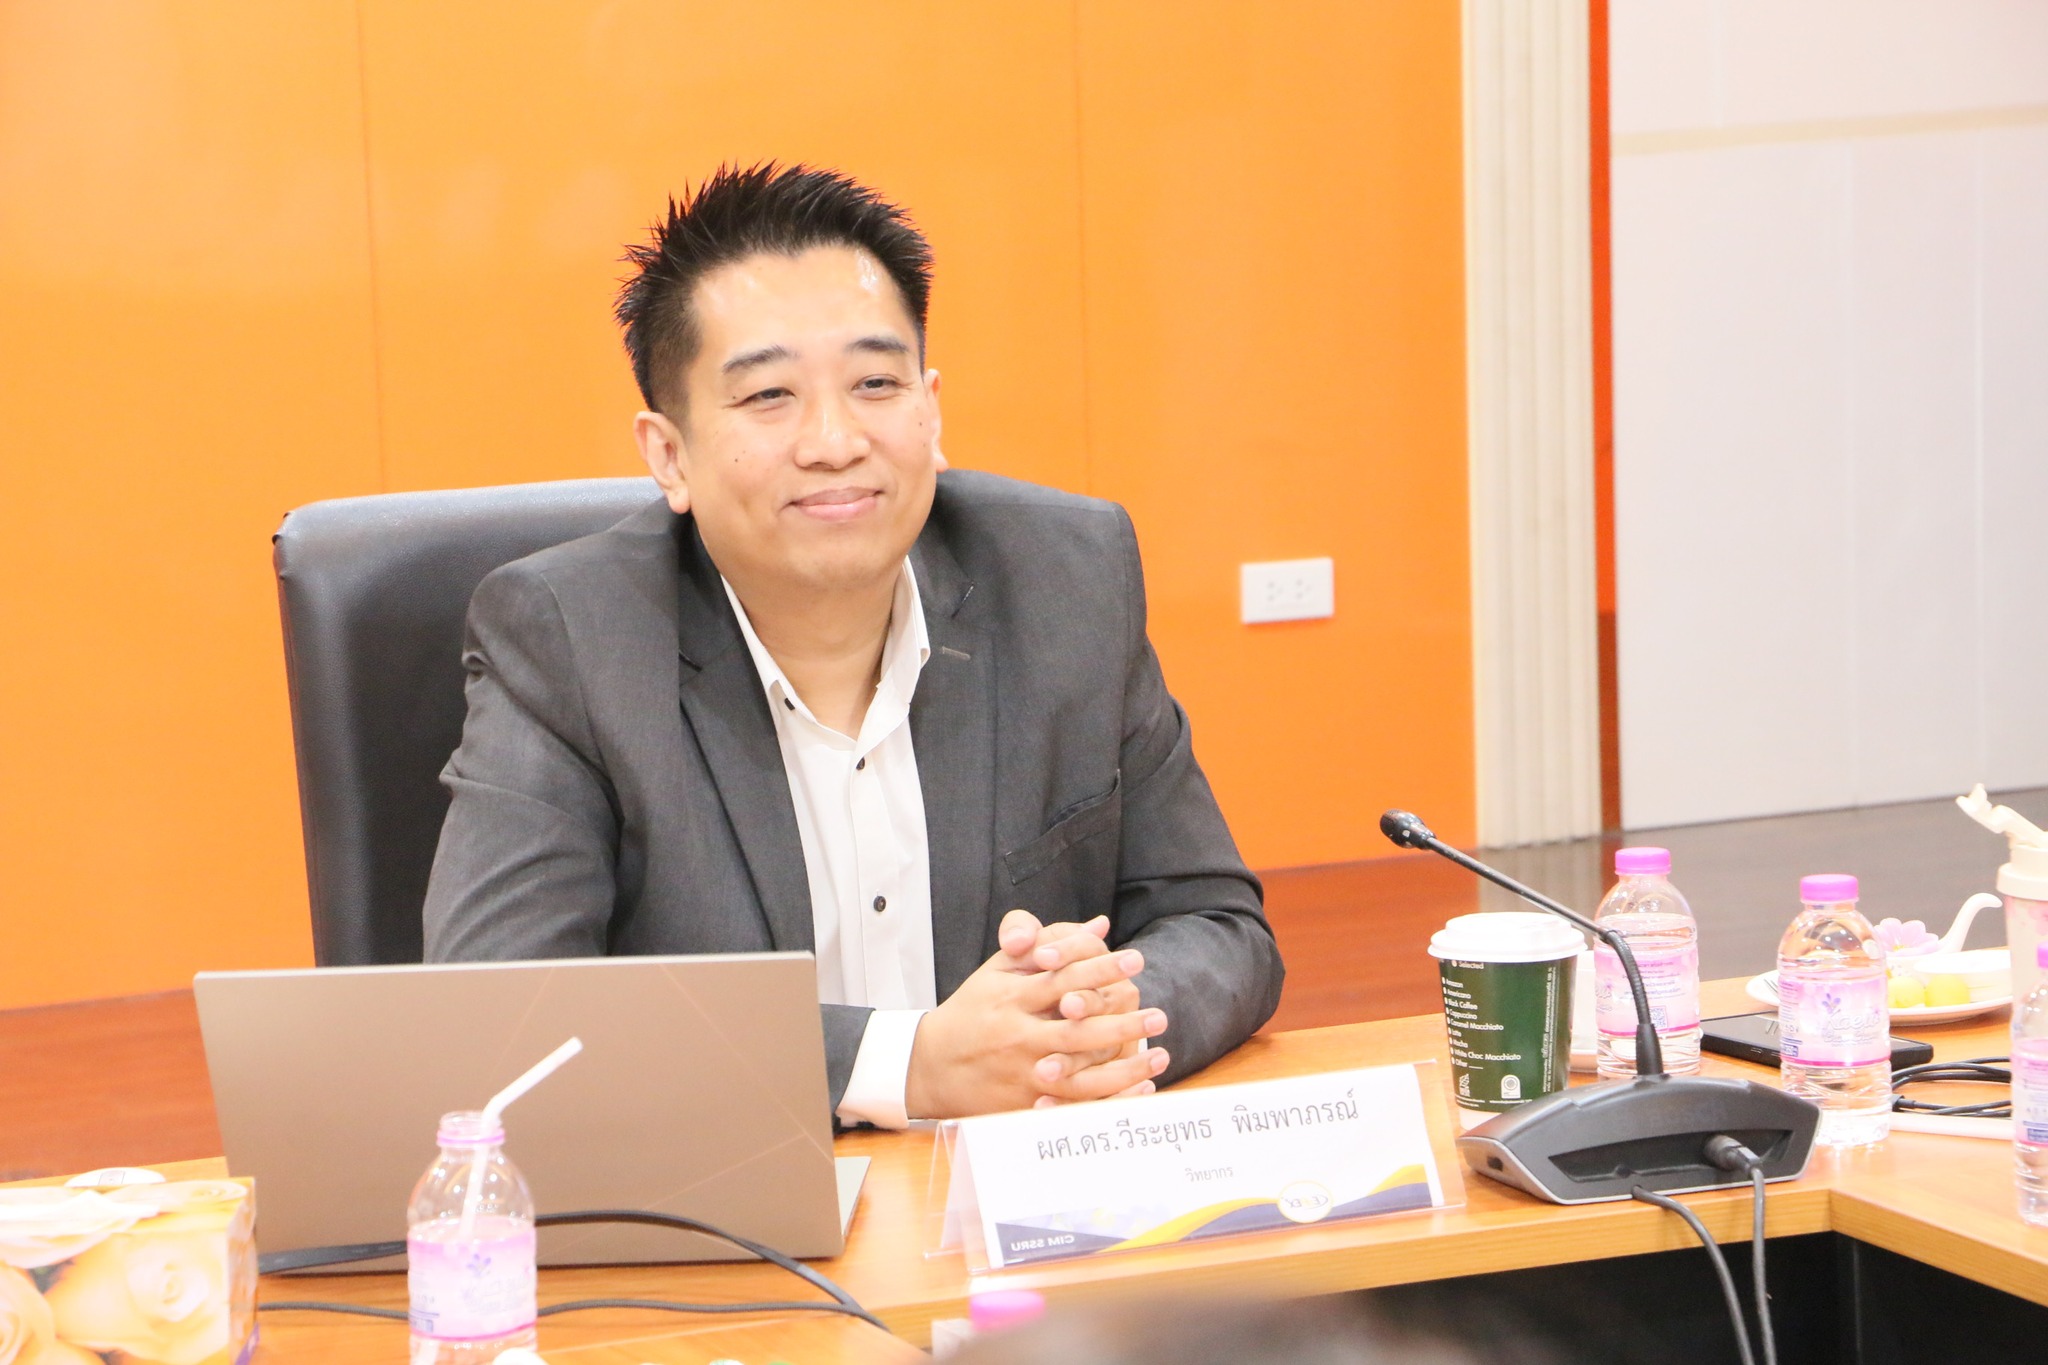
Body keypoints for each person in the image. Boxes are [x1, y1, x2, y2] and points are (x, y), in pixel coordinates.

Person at [421, 162, 1282, 1125]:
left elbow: (1218, 928)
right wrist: (907, 1064)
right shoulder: (570, 638)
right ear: (669, 454)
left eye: (875, 383)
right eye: (769, 396)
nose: (834, 440)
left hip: (1023, 1185)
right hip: (746, 1199)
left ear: (931, 409)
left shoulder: (1066, 578)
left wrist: (1087, 1025)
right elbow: (504, 1013)